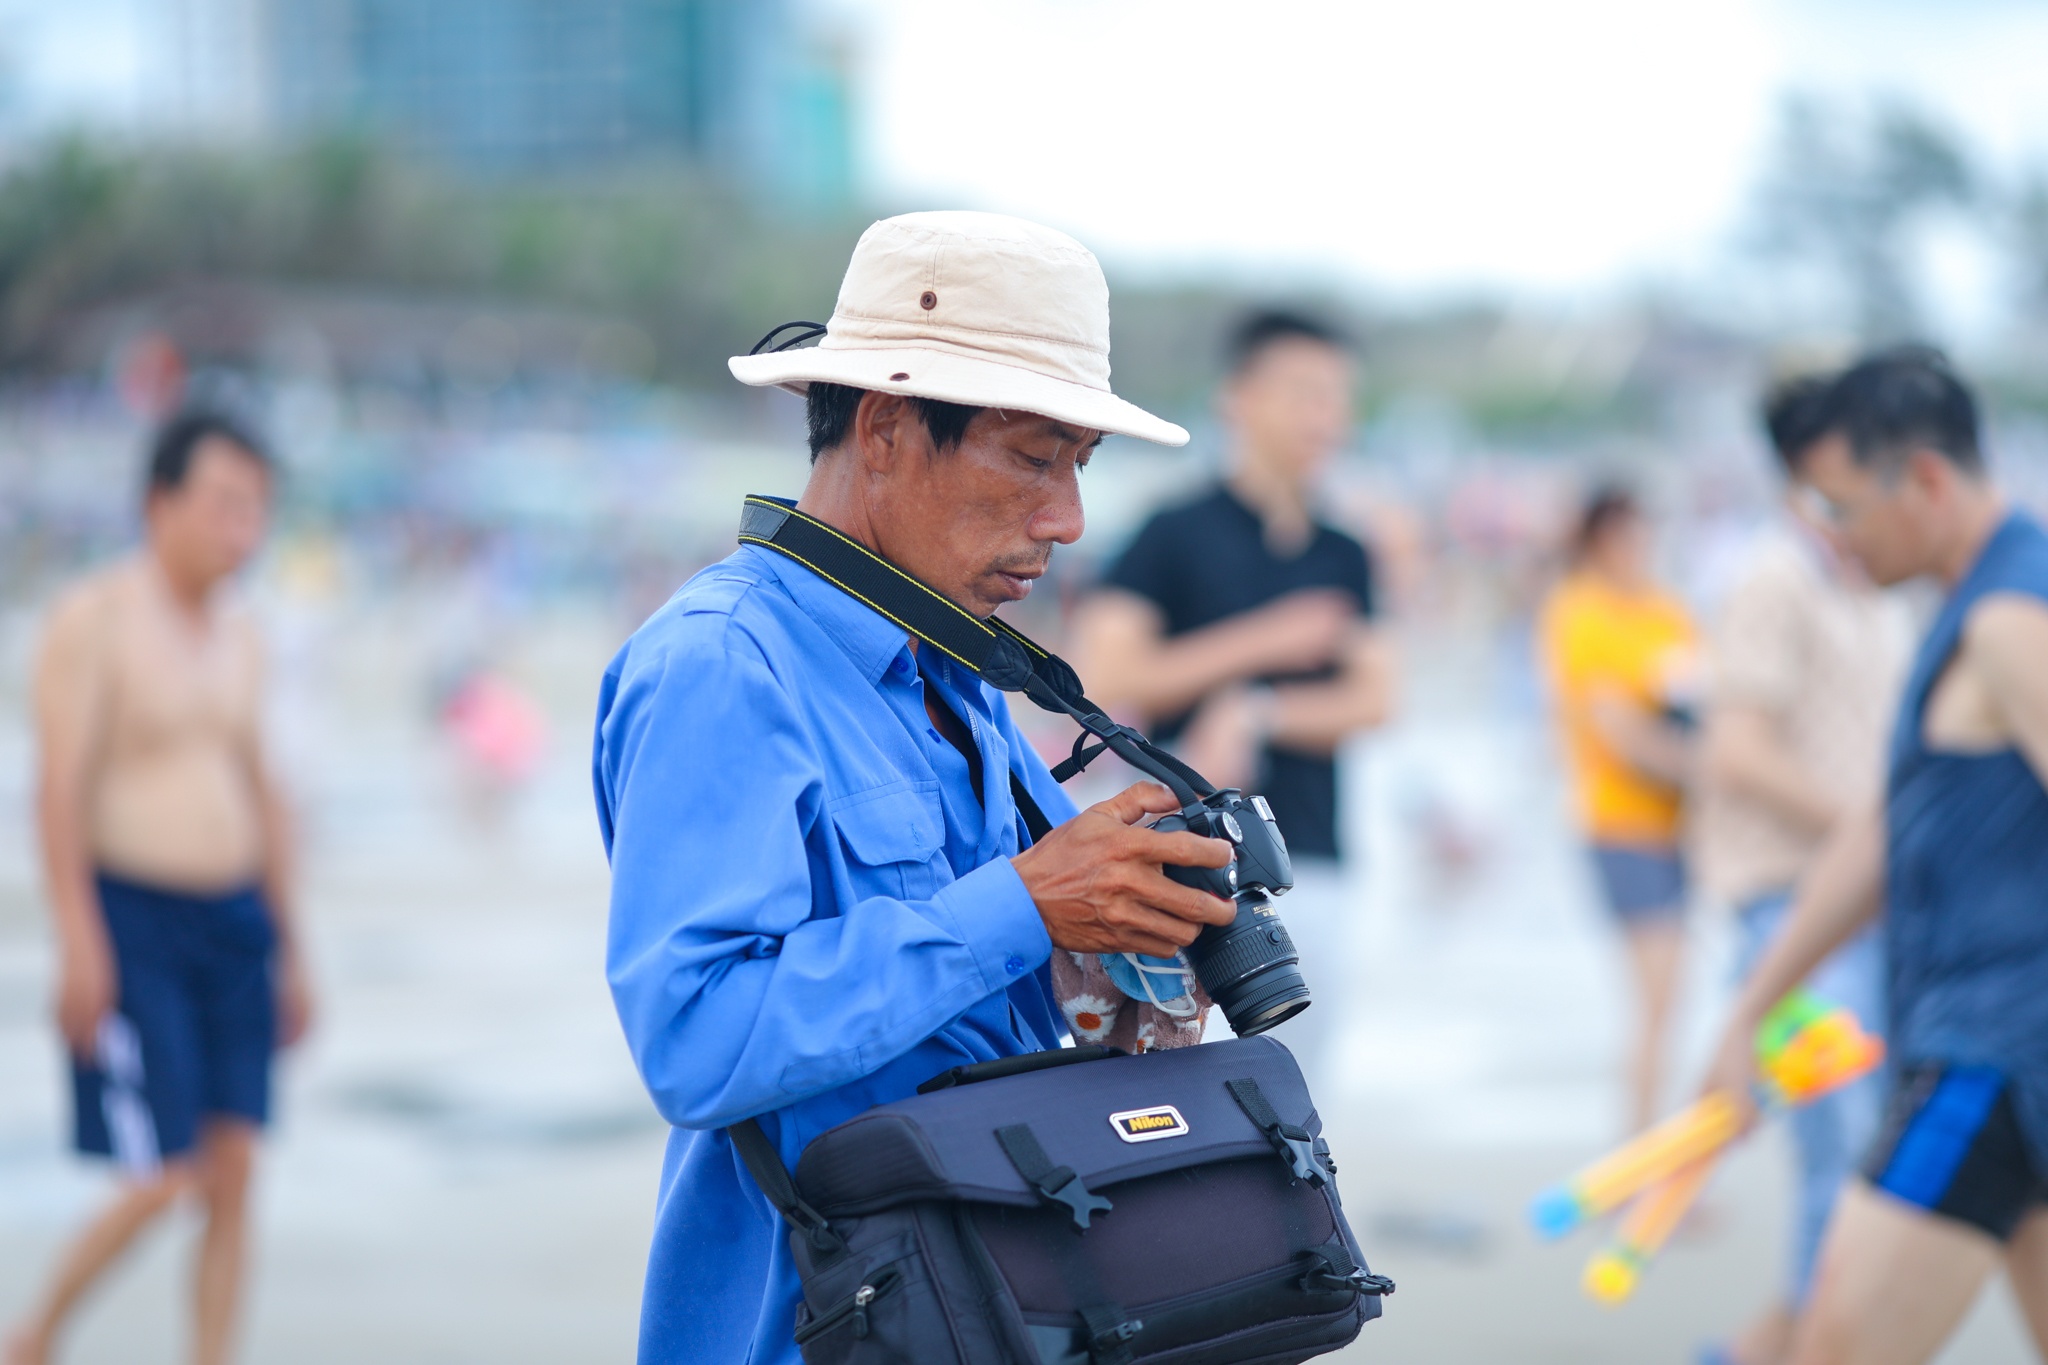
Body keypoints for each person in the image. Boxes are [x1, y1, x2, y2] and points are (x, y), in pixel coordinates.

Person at [594, 211, 1243, 1365]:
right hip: (811, 1322)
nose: (1068, 521)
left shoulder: (959, 670)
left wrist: (1124, 950)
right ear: (888, 429)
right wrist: (1028, 905)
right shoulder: (720, 666)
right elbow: (694, 1040)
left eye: (1078, 469)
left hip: (999, 1300)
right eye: (1032, 459)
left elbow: (1007, 980)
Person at [1702, 347, 2048, 1365]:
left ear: (1928, 481)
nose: (1829, 534)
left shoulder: (2002, 616)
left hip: (1991, 1055)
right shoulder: (1968, 601)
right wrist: (1754, 1002)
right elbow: (1885, 829)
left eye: (1843, 505)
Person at [7, 411, 311, 1365]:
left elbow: (261, 787)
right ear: (159, 502)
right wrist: (79, 940)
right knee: (164, 1174)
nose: (243, 529)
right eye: (224, 504)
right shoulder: (94, 619)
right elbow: (57, 788)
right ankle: (33, 1339)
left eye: (256, 508)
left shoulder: (244, 635)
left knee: (233, 1169)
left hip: (236, 923)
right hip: (133, 919)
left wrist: (292, 946)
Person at [1070, 310, 1395, 1068]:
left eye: (1338, 397)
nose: (1327, 417)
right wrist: (1266, 640)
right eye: (1305, 393)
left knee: (1300, 1105)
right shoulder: (1173, 530)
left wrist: (1258, 708)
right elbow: (1105, 672)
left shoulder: (1345, 550)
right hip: (1181, 864)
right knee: (1168, 1097)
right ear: (1237, 399)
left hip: (1312, 855)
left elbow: (1378, 699)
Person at [1693, 376, 1913, 1365]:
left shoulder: (1865, 579)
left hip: (1862, 910)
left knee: (1868, 1154)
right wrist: (1882, 829)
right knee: (1845, 1146)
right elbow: (1733, 752)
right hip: (1784, 911)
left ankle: (1769, 1348)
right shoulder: (1772, 574)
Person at [1538, 487, 1698, 1133]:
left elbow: (1698, 695)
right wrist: (1711, 768)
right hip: (1619, 821)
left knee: (1671, 999)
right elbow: (1615, 727)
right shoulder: (1580, 609)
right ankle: (1644, 1148)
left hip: (1679, 821)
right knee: (1658, 999)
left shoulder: (1666, 608)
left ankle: (1652, 1146)